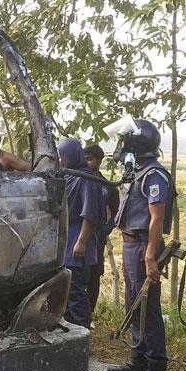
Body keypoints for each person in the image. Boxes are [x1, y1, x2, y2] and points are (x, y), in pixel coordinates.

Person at [106, 119, 176, 371]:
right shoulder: (137, 171)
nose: (120, 146)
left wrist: (150, 255)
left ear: (136, 144)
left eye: (123, 141)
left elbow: (156, 219)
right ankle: (139, 361)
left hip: (144, 245)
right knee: (133, 305)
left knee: (147, 309)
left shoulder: (154, 175)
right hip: (131, 244)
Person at [58, 138, 104, 328]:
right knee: (67, 293)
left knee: (76, 292)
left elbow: (90, 214)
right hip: (66, 240)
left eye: (63, 157)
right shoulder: (70, 176)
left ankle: (82, 332)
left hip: (78, 242)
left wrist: (81, 242)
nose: (61, 161)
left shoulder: (88, 180)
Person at [83, 144, 120, 318]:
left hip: (97, 238)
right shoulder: (77, 181)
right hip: (76, 236)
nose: (86, 162)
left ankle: (88, 314)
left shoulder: (108, 186)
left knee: (93, 275)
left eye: (89, 159)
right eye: (84, 158)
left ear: (99, 161)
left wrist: (105, 230)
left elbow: (117, 213)